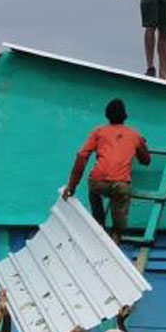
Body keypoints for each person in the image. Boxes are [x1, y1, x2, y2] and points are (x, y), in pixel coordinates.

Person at [63, 98, 151, 243]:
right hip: (120, 185)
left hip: (98, 182)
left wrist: (72, 186)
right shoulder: (134, 135)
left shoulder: (98, 132)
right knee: (120, 209)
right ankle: (116, 235)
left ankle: (99, 224)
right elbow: (146, 160)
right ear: (125, 116)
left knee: (94, 190)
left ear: (107, 116)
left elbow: (82, 157)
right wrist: (141, 146)